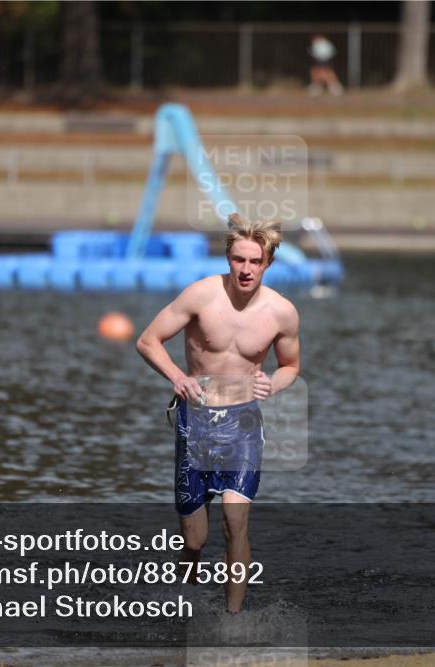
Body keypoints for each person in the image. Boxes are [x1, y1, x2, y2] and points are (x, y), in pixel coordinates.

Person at [136, 213, 300, 613]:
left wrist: (272, 384)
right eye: (238, 260)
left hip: (243, 423)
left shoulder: (282, 313)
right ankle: (182, 595)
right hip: (196, 422)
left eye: (254, 262)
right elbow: (148, 340)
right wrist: (177, 376)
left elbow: (291, 366)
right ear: (228, 258)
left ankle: (232, 621)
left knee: (234, 521)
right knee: (194, 540)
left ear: (268, 264)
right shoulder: (201, 295)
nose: (246, 269)